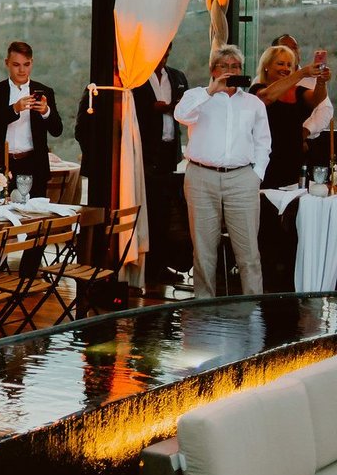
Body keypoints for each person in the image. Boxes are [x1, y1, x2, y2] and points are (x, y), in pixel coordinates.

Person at [175, 44, 270, 297]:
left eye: (235, 66)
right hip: (201, 177)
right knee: (204, 250)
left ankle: (253, 308)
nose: (230, 71)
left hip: (242, 178)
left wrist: (255, 175)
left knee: (248, 251)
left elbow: (263, 142)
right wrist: (210, 90)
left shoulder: (253, 103)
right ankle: (204, 307)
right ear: (213, 69)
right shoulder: (197, 96)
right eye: (224, 66)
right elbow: (181, 115)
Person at [133, 45, 191, 285]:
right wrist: (153, 109)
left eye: (167, 52)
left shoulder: (177, 77)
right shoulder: (137, 79)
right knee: (146, 212)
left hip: (169, 151)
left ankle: (160, 265)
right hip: (145, 152)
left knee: (165, 213)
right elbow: (132, 112)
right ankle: (143, 266)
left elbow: (186, 108)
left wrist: (174, 108)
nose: (163, 56)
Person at [0, 41, 62, 199]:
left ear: (32, 63)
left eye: (26, 64)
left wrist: (45, 111)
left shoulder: (45, 92)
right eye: (16, 64)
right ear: (7, 63)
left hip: (34, 164)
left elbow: (57, 130)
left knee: (35, 216)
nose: (22, 70)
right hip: (1, 163)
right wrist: (14, 109)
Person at [250, 43, 329, 189]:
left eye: (289, 65)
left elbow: (316, 99)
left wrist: (321, 82)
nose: (285, 69)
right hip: (266, 159)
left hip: (292, 159)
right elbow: (267, 97)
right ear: (266, 66)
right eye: (280, 64)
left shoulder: (298, 91)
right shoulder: (257, 89)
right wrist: (302, 73)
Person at [271, 34, 335, 141]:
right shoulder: (261, 81)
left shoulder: (312, 79)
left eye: (295, 47)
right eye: (286, 47)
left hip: (306, 143)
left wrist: (304, 132)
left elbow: (325, 109)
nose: (292, 51)